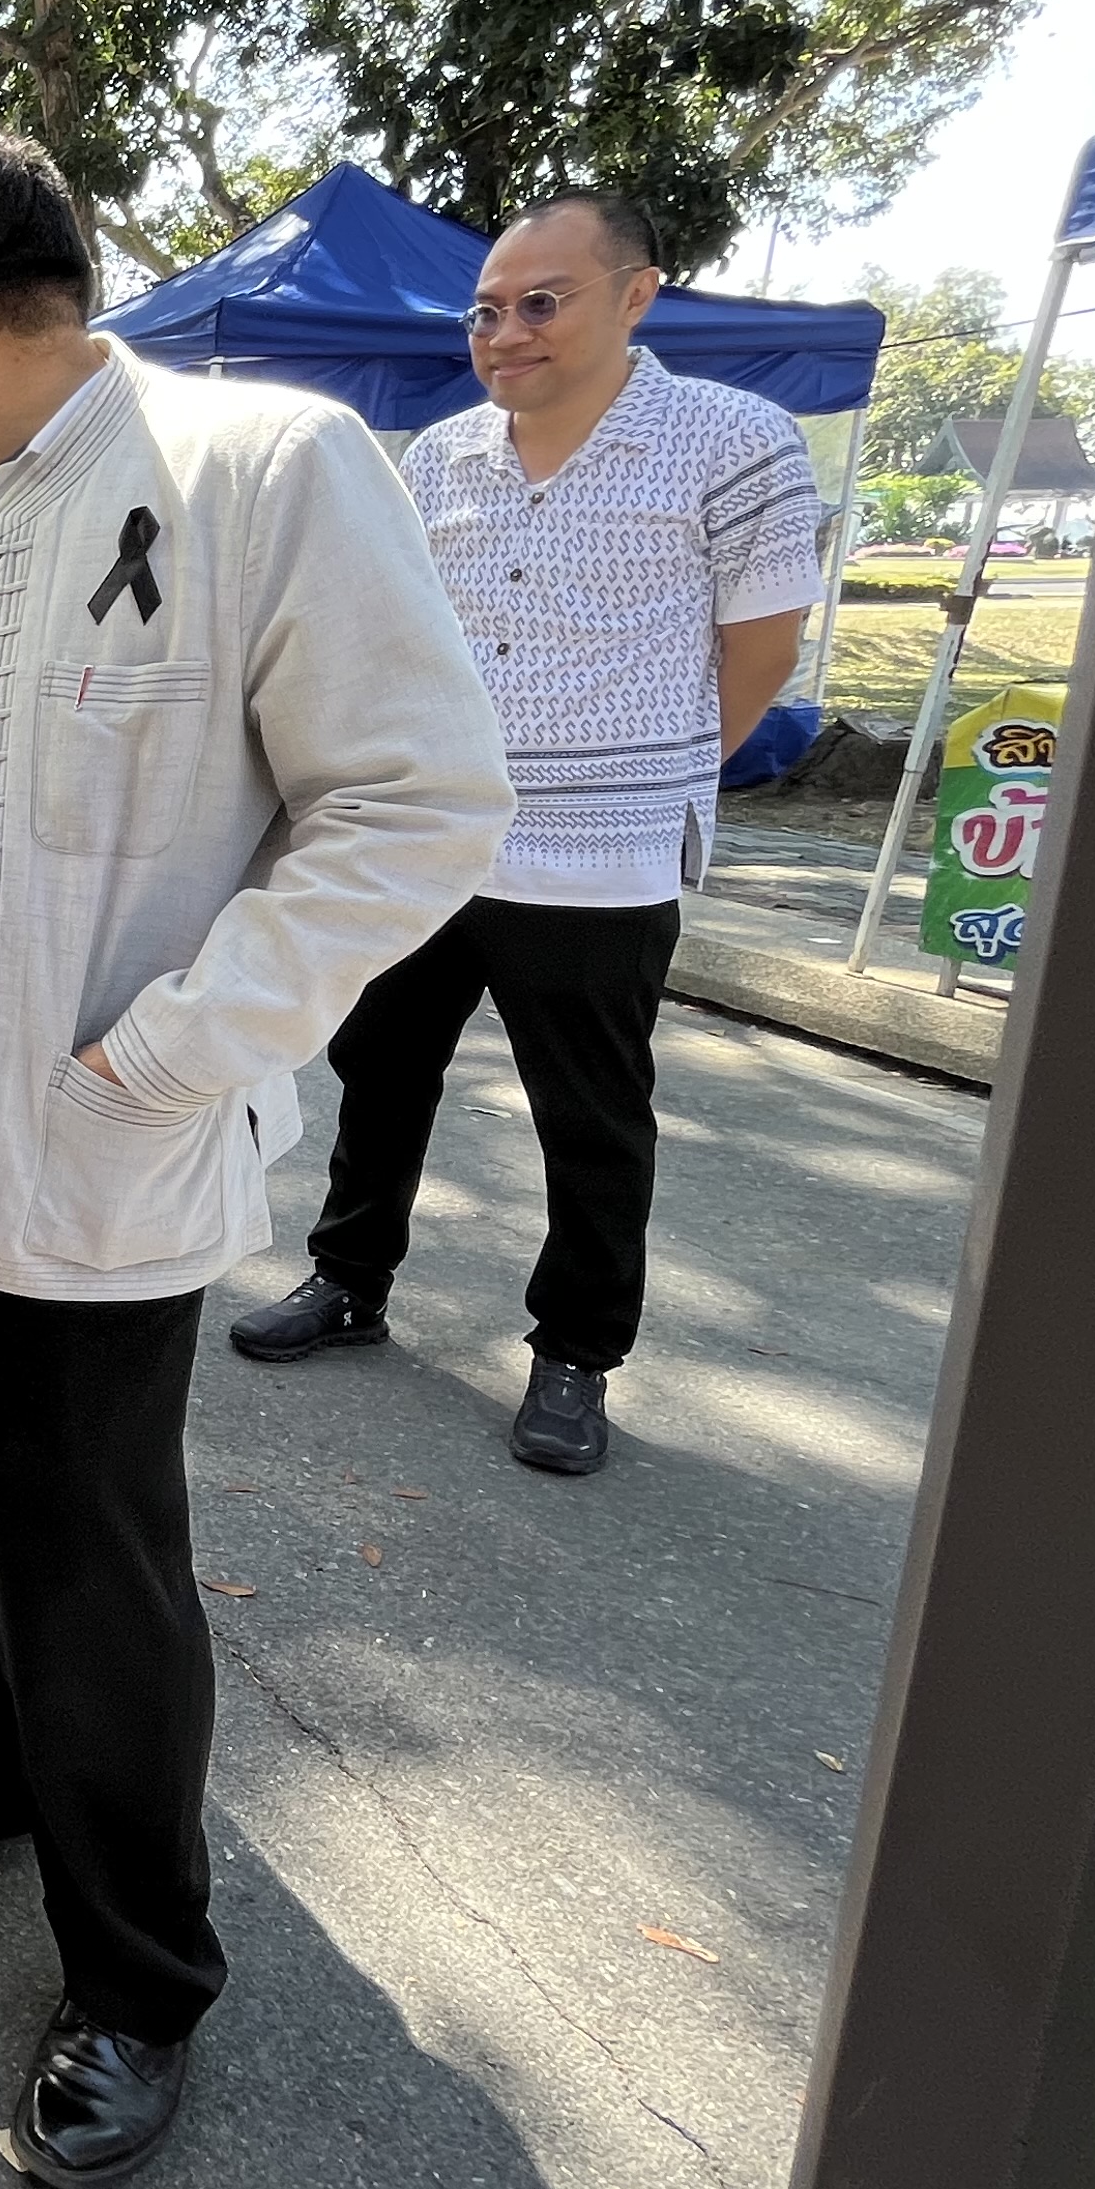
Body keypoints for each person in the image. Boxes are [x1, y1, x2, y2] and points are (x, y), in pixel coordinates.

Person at [0, 119, 508, 2189]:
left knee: (86, 1561)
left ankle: (140, 1972)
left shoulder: (264, 467)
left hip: (77, 1136)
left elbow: (420, 806)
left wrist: (172, 1053)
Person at [227, 192, 824, 1474]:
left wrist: (654, 771)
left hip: (603, 856)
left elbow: (762, 648)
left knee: (592, 1116)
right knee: (381, 1073)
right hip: (437, 843)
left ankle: (576, 1353)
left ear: (636, 295)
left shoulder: (733, 440)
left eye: (542, 301)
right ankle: (349, 1279)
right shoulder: (440, 456)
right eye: (488, 309)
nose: (508, 331)